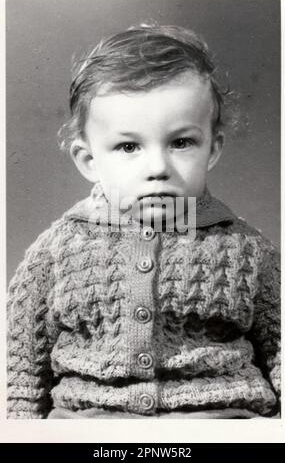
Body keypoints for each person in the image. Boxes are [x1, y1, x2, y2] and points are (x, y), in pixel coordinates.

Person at [7, 24, 280, 419]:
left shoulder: (245, 248)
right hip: (94, 427)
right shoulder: (57, 249)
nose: (157, 167)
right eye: (129, 146)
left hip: (219, 422)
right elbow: (20, 368)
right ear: (88, 160)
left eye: (181, 142)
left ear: (213, 148)